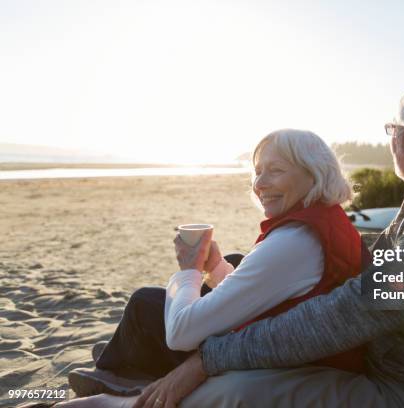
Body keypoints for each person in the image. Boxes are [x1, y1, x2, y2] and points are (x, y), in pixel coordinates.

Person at [58, 129, 367, 407]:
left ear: (314, 174)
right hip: (293, 351)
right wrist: (215, 268)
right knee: (229, 261)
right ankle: (116, 365)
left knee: (146, 304)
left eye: (276, 171)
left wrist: (189, 270)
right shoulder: (326, 221)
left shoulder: (295, 241)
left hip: (277, 364)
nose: (260, 184)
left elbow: (180, 335)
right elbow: (274, 300)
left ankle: (112, 375)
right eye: (257, 172)